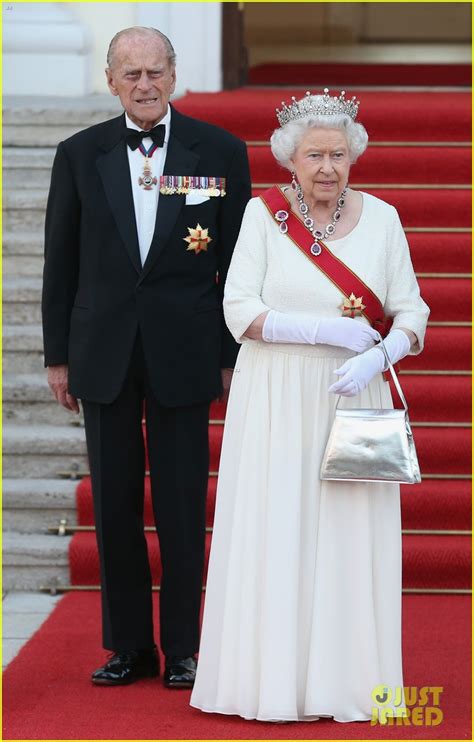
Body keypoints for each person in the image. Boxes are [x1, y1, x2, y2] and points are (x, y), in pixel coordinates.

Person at [190, 89, 430, 722]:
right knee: (278, 531)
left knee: (351, 540)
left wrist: (382, 355)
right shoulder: (261, 216)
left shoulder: (383, 218)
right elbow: (237, 309)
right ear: (289, 162)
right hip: (276, 395)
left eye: (339, 155)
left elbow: (412, 310)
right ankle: (270, 683)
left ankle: (348, 685)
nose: (328, 167)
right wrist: (323, 330)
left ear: (354, 157)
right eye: (314, 155)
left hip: (353, 395)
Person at [42, 26, 251, 688]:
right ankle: (129, 646)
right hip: (101, 351)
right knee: (115, 505)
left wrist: (227, 352)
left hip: (185, 351)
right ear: (111, 81)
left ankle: (187, 648)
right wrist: (57, 356)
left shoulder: (218, 151)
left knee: (184, 506)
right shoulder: (79, 154)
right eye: (130, 74)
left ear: (174, 73)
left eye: (154, 72)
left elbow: (238, 266)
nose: (144, 84)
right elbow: (61, 262)